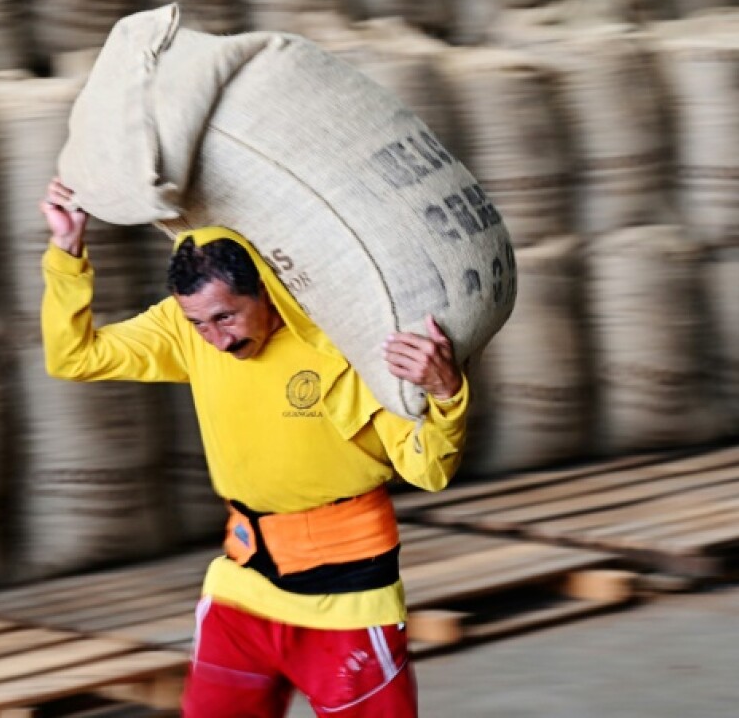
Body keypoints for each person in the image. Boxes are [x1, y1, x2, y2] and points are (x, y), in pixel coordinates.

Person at [39, 177, 469, 718]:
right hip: (242, 583)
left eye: (226, 317)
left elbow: (429, 469)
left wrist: (445, 394)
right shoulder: (181, 328)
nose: (216, 340)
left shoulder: (343, 343)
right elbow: (73, 356)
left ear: (267, 290)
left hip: (347, 598)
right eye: (199, 323)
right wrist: (67, 251)